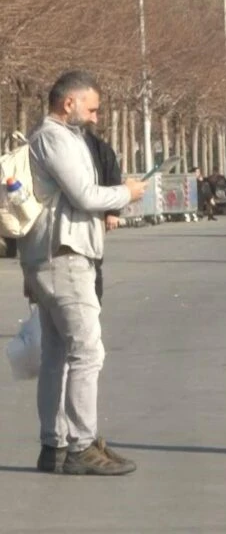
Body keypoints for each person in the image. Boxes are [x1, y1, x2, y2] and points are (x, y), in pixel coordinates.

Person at [18, 70, 146, 476]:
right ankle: (80, 444)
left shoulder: (57, 137)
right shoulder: (54, 138)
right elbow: (85, 196)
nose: (95, 117)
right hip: (66, 254)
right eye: (91, 108)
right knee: (87, 352)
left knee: (58, 353)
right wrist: (128, 192)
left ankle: (55, 444)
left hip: (53, 254)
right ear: (68, 102)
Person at [84, 126, 122, 303]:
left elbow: (112, 175)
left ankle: (93, 303)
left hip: (94, 212)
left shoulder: (97, 146)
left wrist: (112, 212)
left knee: (93, 259)